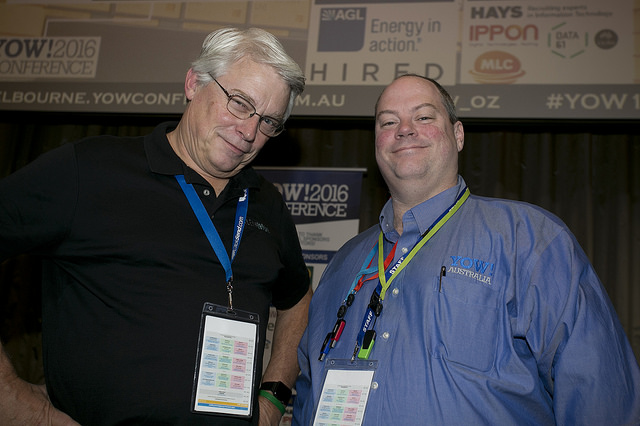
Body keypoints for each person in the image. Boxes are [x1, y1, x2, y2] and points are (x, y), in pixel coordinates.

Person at [0, 27, 311, 425]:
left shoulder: (266, 204)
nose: (250, 132)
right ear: (193, 83)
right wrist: (17, 403)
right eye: (239, 103)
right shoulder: (91, 170)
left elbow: (298, 300)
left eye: (268, 121)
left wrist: (273, 399)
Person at [293, 74, 640, 425]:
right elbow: (308, 392)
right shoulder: (344, 263)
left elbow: (601, 396)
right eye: (388, 122)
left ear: (458, 135)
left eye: (423, 117)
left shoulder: (529, 239)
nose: (405, 130)